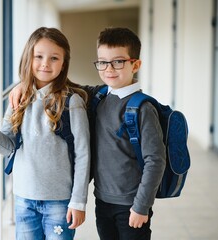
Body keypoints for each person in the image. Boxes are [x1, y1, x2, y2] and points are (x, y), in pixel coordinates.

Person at [9, 27, 166, 240]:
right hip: (103, 200)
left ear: (135, 65)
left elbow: (155, 160)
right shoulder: (99, 96)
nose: (109, 69)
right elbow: (60, 86)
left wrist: (141, 206)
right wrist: (22, 85)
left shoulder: (143, 109)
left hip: (131, 203)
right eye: (103, 62)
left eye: (118, 61)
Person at [0, 27, 90, 240]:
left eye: (54, 58)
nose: (45, 63)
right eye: (38, 56)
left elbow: (83, 155)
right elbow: (7, 147)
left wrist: (78, 201)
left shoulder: (72, 102)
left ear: (63, 63)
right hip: (23, 199)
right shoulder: (17, 100)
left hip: (59, 201)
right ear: (28, 58)